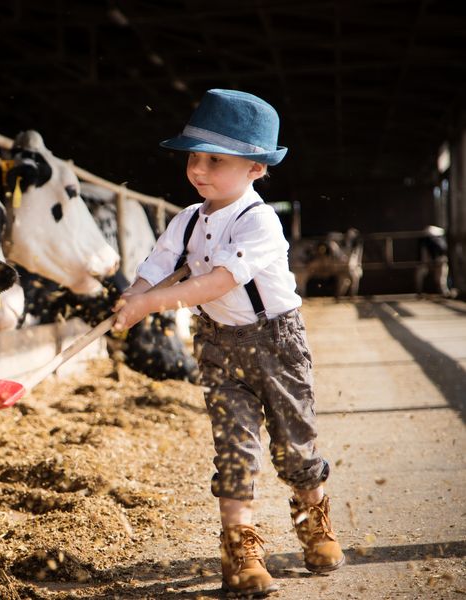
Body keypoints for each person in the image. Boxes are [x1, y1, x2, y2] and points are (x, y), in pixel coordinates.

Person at [113, 89, 344, 597]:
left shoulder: (259, 220)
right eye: (194, 157)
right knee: (234, 449)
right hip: (216, 346)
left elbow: (218, 282)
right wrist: (133, 295)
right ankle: (239, 549)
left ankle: (313, 525)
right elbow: (157, 266)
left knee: (293, 447)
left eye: (215, 159)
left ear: (256, 170)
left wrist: (152, 305)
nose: (199, 169)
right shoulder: (187, 219)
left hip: (276, 344)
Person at [415, 225, 451, 297]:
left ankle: (444, 292)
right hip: (430, 260)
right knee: (421, 273)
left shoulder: (440, 241)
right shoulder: (426, 241)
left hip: (438, 259)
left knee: (440, 278)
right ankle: (420, 291)